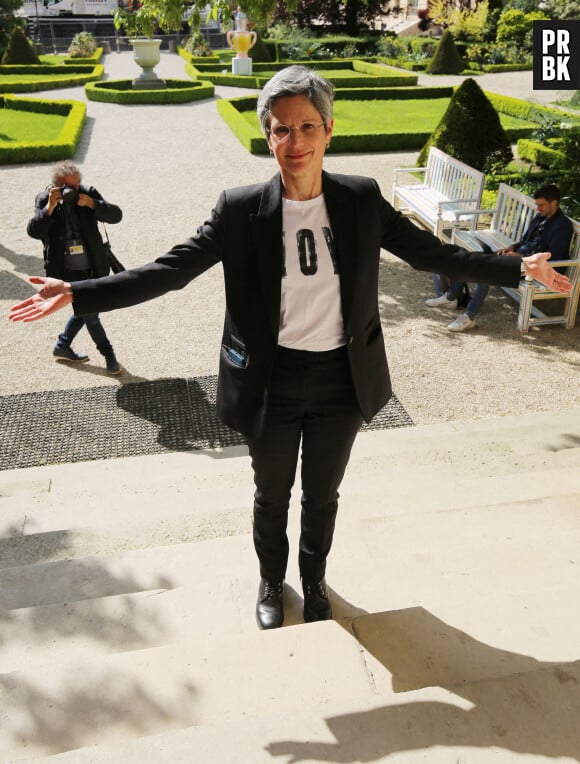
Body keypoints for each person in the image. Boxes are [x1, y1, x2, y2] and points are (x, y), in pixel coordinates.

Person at [9, 67, 571, 630]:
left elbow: (429, 255)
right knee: (271, 494)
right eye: (281, 129)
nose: (294, 142)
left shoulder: (359, 199)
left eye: (307, 127)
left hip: (340, 381)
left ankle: (314, 580)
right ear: (269, 136)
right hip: (269, 382)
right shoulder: (240, 208)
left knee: (322, 496)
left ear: (329, 131)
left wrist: (516, 267)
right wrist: (78, 291)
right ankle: (271, 582)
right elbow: (169, 272)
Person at [425, 184, 574, 332]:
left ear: (554, 203)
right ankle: (451, 297)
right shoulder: (540, 217)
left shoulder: (562, 226)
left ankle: (469, 317)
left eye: (541, 205)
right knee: (473, 259)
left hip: (536, 269)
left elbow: (555, 258)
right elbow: (525, 241)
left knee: (486, 271)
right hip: (518, 260)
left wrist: (521, 256)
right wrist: (512, 248)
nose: (537, 208)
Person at [27, 161, 123, 373]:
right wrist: (49, 208)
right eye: (66, 187)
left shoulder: (87, 193)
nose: (71, 191)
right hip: (65, 269)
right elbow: (34, 231)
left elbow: (116, 216)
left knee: (85, 307)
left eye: (75, 185)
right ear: (56, 187)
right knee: (90, 312)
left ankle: (63, 345)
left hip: (93, 265)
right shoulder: (45, 199)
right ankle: (109, 356)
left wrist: (93, 205)